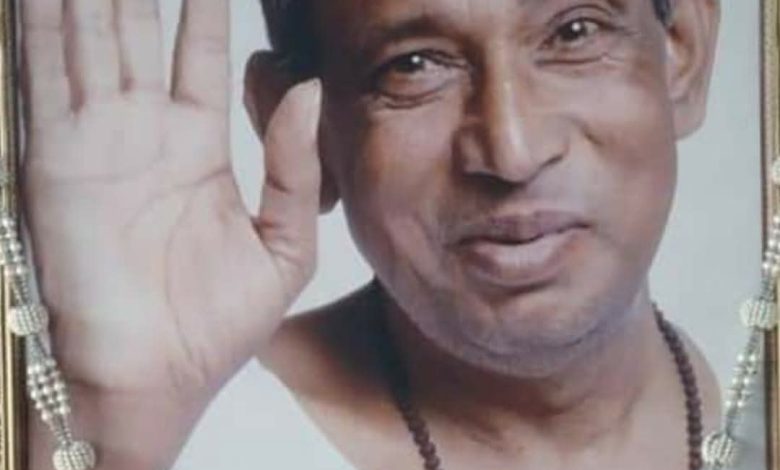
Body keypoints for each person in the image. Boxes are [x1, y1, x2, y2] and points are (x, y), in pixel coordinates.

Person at [20, 0, 723, 468]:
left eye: (574, 32)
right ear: (299, 124)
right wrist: (108, 433)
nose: (512, 150)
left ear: (684, 52)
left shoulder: (752, 373)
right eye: (412, 65)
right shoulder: (201, 435)